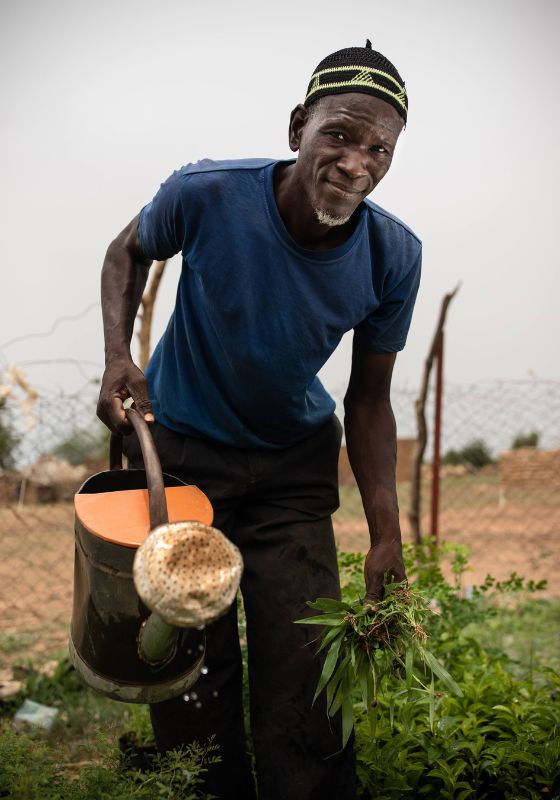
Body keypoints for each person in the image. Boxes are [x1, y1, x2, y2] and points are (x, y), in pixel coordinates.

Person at [97, 40, 421, 800]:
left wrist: (387, 534)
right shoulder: (207, 194)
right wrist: (118, 358)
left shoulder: (392, 255)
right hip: (181, 458)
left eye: (380, 149)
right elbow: (125, 251)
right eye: (338, 134)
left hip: (291, 471)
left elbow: (368, 401)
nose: (355, 164)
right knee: (188, 656)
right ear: (296, 128)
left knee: (304, 662)